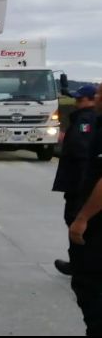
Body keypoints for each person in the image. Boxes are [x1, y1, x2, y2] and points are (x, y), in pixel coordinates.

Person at [53, 85, 100, 276]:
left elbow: (82, 151)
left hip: (79, 183)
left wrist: (82, 184)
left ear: (91, 100)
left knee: (76, 221)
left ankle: (79, 264)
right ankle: (79, 262)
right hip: (79, 181)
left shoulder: (86, 119)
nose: (77, 103)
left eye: (81, 100)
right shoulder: (85, 118)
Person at [68, 83, 102, 336]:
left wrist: (82, 218)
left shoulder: (91, 122)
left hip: (97, 222)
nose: (96, 98)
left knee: (90, 285)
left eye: (100, 94)